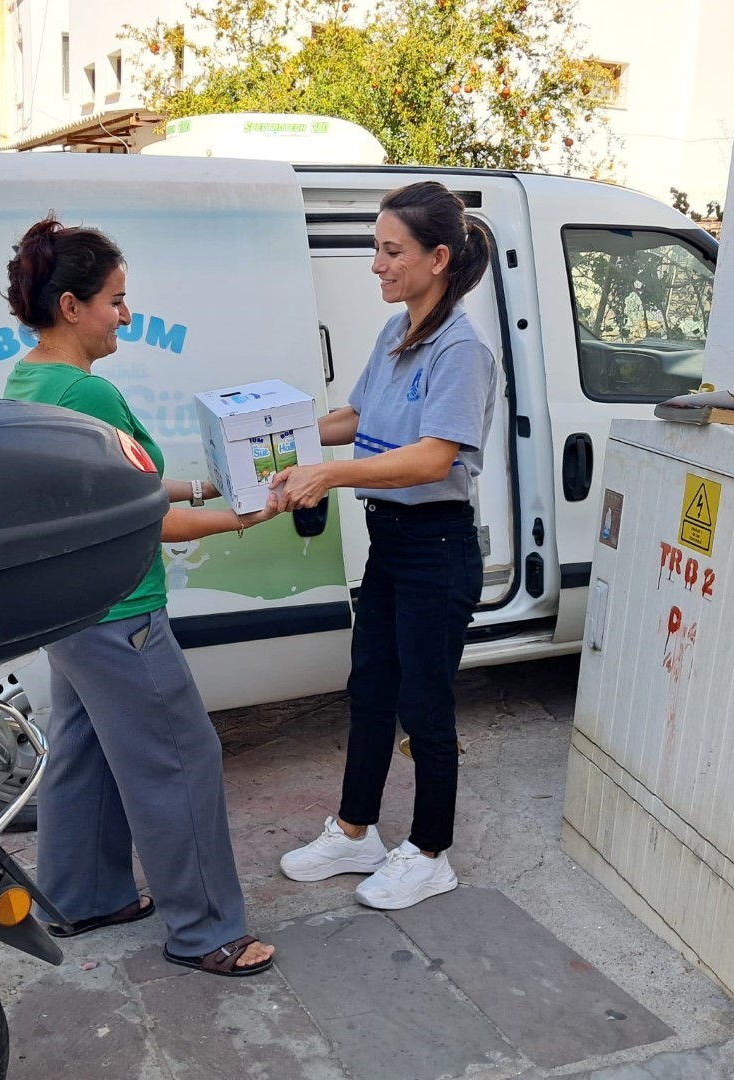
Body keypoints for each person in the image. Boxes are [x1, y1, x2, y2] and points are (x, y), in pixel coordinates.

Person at [3, 214, 277, 977]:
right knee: (181, 760)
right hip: (121, 613)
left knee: (84, 755)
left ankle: (83, 895)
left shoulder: (30, 379)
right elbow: (144, 515)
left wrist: (212, 482)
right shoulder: (85, 394)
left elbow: (123, 485)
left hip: (71, 609)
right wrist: (248, 512)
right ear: (71, 307)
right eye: (116, 300)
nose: (124, 315)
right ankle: (207, 931)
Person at [275, 181, 496, 911]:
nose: (375, 263)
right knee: (369, 690)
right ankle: (354, 829)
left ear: (438, 258)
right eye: (376, 248)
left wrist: (328, 474)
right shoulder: (397, 334)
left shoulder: (462, 351)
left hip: (438, 547)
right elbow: (358, 414)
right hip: (392, 544)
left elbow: (434, 457)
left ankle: (432, 851)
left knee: (425, 705)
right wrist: (283, 439)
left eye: (389, 250)